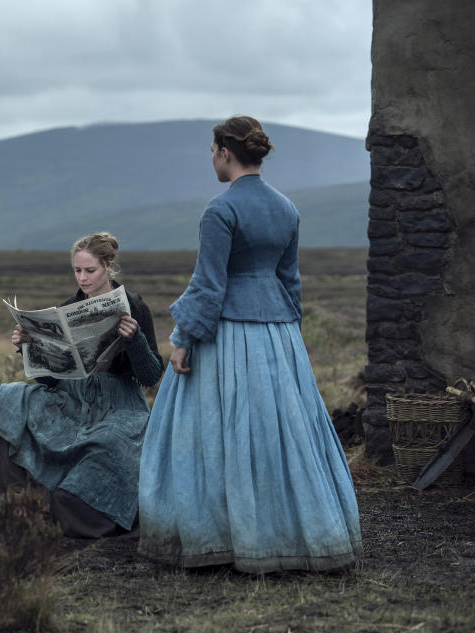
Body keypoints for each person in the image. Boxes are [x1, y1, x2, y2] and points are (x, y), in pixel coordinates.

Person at [137, 116, 363, 573]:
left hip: (227, 336)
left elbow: (208, 283)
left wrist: (182, 341)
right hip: (277, 335)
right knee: (281, 433)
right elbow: (289, 281)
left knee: (219, 433)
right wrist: (289, 340)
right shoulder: (286, 209)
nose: (212, 158)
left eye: (213, 150)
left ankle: (222, 537)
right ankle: (299, 532)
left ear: (225, 152)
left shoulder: (220, 211)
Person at [0, 232, 164, 537]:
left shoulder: (134, 306)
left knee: (110, 442)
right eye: (77, 270)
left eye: (90, 270)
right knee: (15, 397)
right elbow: (50, 378)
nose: (82, 278)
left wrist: (134, 340)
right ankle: (14, 505)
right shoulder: (68, 308)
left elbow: (151, 377)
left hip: (117, 402)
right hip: (71, 398)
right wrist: (29, 347)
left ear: (109, 267)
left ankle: (69, 511)